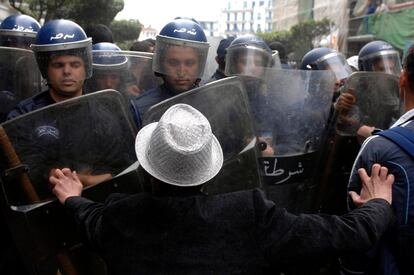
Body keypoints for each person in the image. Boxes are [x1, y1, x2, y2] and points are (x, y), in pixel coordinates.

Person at [49, 103, 394, 274]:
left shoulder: (120, 215)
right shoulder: (249, 214)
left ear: (148, 169)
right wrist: (378, 202)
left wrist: (72, 197)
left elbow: (90, 219)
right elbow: (347, 234)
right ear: (208, 172)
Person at [344, 43, 414, 275]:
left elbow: (359, 228)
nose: (386, 70)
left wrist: (376, 207)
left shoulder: (378, 148)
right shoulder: (352, 99)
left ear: (402, 78)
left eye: (393, 65)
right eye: (378, 65)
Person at [130, 18, 210, 128]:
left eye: (190, 63)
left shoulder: (214, 104)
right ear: (161, 63)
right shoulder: (140, 109)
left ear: (200, 64)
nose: (181, 72)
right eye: (173, 62)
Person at [7, 19, 92, 119]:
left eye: (75, 65)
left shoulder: (102, 112)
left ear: (85, 68)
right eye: (58, 65)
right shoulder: (24, 115)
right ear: (45, 70)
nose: (67, 71)